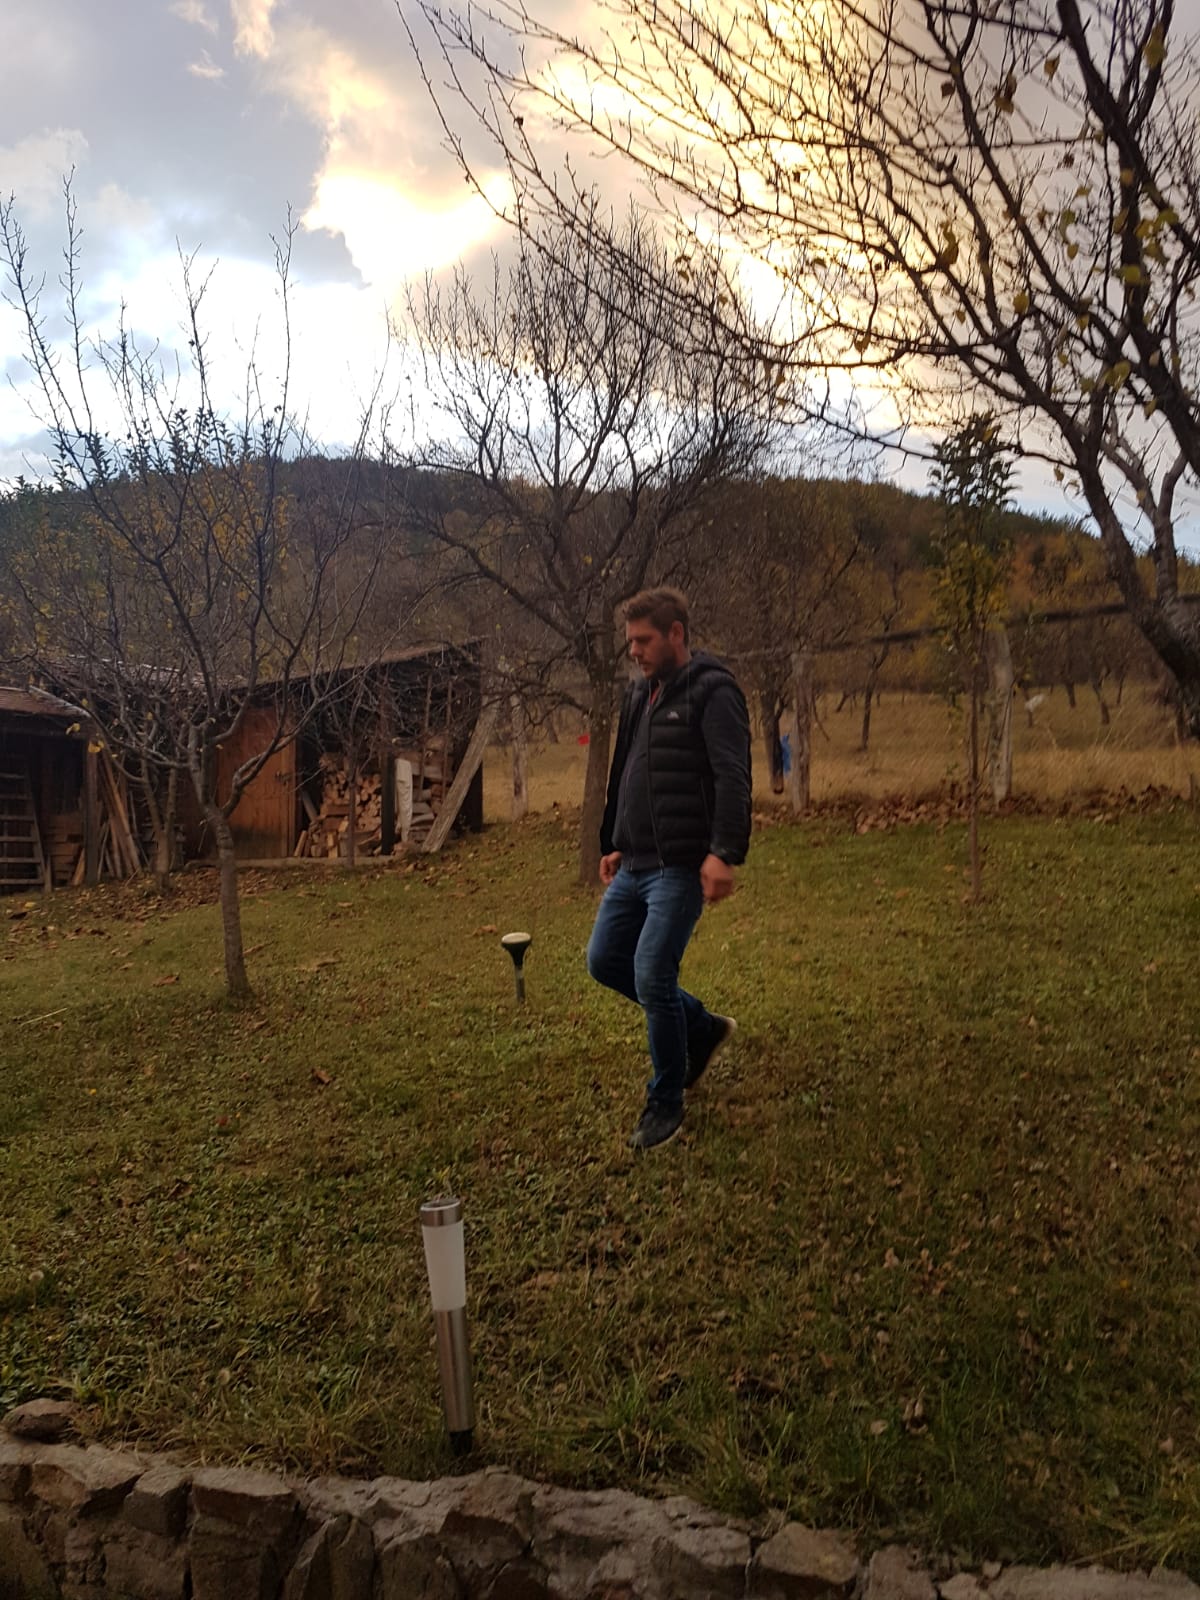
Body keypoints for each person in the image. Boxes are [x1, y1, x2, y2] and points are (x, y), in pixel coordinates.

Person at [586, 587, 752, 1151]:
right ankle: (701, 1029)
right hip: (634, 862)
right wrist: (613, 841)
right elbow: (624, 771)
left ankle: (665, 1103)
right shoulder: (640, 694)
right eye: (630, 641)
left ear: (676, 633)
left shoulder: (714, 691)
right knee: (605, 960)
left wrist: (723, 852)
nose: (634, 651)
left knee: (652, 972)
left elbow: (733, 775)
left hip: (680, 865)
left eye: (643, 640)